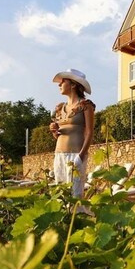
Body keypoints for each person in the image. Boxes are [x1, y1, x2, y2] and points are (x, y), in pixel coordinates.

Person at [49, 69, 95, 198]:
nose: (59, 85)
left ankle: (77, 216)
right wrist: (54, 131)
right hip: (59, 154)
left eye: (63, 82)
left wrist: (81, 156)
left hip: (76, 154)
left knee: (75, 193)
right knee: (61, 191)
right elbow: (58, 135)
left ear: (73, 84)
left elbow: (89, 132)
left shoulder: (86, 105)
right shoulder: (60, 108)